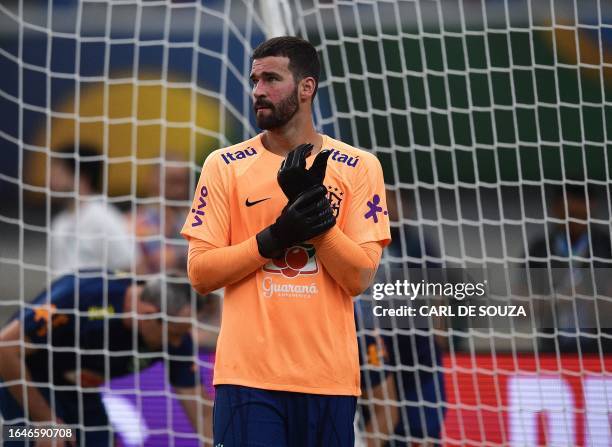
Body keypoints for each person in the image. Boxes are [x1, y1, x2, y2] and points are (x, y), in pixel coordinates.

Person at [181, 36, 391, 446]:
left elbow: (359, 278)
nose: (258, 90)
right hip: (247, 380)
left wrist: (317, 224)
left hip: (329, 380)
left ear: (306, 87)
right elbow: (200, 273)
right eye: (255, 80)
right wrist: (276, 236)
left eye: (271, 79)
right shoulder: (223, 166)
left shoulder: (360, 167)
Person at [0, 272, 213, 446]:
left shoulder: (175, 335)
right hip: (24, 377)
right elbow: (5, 348)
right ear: (148, 315)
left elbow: (201, 413)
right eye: (175, 334)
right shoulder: (82, 296)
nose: (178, 343)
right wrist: (45, 421)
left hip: (78, 389)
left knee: (101, 441)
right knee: (42, 439)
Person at [356, 189, 446, 447]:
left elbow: (438, 287)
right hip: (375, 355)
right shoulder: (364, 240)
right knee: (381, 428)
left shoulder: (417, 243)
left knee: (422, 435)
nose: (389, 205)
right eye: (384, 198)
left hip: (418, 356)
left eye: (394, 198)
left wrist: (440, 330)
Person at [526, 183, 612, 353]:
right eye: (570, 214)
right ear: (556, 209)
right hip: (553, 349)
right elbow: (520, 307)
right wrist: (557, 300)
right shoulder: (541, 248)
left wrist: (591, 296)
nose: (574, 222)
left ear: (591, 208)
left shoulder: (605, 246)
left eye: (580, 215)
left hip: (603, 351)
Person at [49, 144, 135, 276]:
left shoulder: (102, 217)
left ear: (82, 177)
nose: (50, 179)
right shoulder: (60, 222)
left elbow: (129, 264)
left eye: (58, 172)